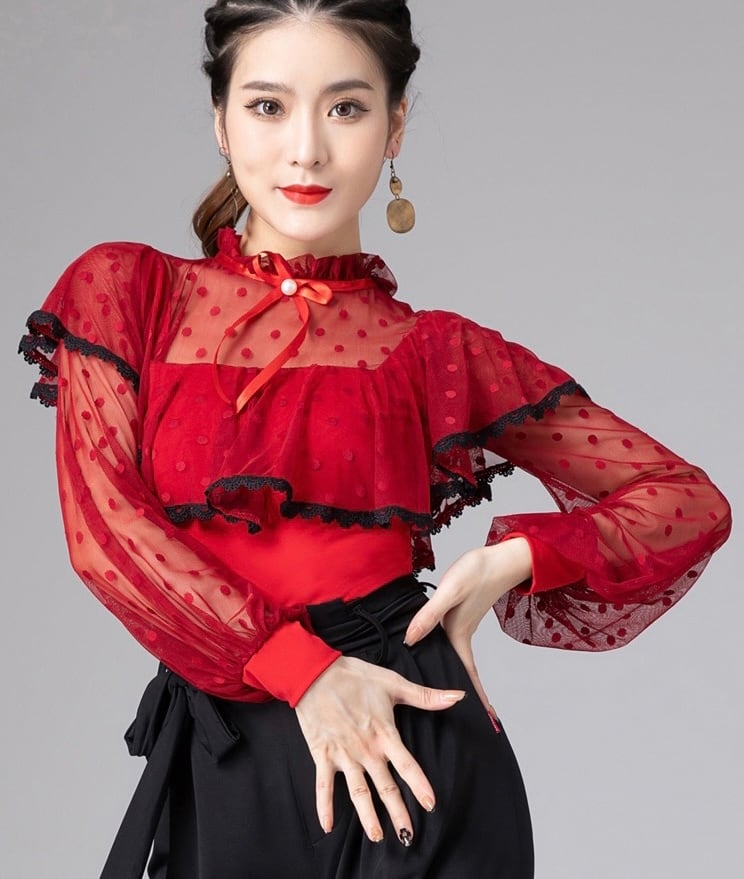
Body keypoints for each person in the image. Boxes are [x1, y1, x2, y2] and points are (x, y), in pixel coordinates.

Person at [17, 2, 731, 877]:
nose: (306, 150)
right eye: (268, 106)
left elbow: (687, 502)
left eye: (346, 108)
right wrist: (303, 671)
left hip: (415, 751)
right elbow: (105, 533)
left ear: (395, 127)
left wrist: (507, 561)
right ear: (220, 121)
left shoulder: (433, 350)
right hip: (229, 755)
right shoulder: (130, 292)